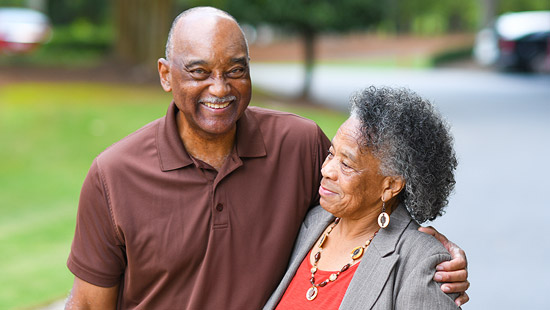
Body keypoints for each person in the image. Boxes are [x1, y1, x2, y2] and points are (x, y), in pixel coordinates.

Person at [65, 7, 469, 309]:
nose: (219, 88)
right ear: (166, 74)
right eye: (199, 71)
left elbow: (366, 192)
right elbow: (87, 305)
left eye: (235, 70)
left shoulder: (299, 144)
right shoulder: (113, 175)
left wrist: (428, 249)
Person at [264, 86, 463, 309]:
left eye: (347, 165)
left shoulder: (421, 263)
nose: (327, 170)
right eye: (331, 153)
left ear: (390, 185)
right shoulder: (310, 223)